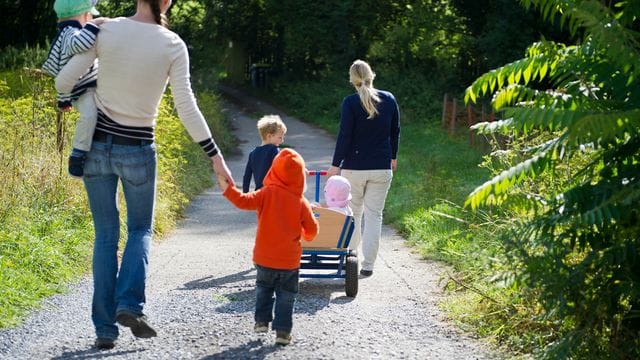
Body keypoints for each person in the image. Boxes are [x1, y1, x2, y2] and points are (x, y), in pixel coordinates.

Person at [55, 0, 234, 350]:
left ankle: (105, 329)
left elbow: (64, 78)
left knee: (106, 235)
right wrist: (215, 155)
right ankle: (130, 305)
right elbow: (186, 105)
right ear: (167, 2)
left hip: (96, 149)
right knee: (140, 229)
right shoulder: (172, 44)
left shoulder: (106, 28)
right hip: (137, 150)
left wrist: (72, 100)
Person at [217, 148, 319, 346]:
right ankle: (282, 332)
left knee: (264, 289)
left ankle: (262, 321)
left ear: (273, 170)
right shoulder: (301, 202)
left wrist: (227, 188)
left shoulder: (266, 193)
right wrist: (306, 235)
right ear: (300, 176)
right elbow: (312, 229)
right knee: (286, 296)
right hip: (289, 261)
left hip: (264, 258)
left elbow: (242, 201)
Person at [326, 59, 400, 277]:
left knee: (354, 214)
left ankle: (351, 259)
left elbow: (345, 135)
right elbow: (395, 131)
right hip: (381, 167)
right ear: (371, 75)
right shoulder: (389, 99)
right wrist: (393, 157)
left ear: (352, 79)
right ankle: (368, 266)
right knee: (374, 216)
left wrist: (334, 164)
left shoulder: (350, 102)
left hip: (354, 168)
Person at [42, 0, 103, 178]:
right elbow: (80, 44)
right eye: (90, 16)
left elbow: (62, 68)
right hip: (83, 90)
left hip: (83, 87)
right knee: (89, 115)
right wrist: (94, 26)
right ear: (85, 16)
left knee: (93, 116)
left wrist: (63, 99)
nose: (91, 19)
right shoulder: (71, 33)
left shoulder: (66, 32)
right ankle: (78, 153)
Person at [242, 114, 286, 192]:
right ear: (269, 136)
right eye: (280, 137)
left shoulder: (253, 153)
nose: (282, 141)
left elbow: (246, 177)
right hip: (272, 193)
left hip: (259, 194)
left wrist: (245, 194)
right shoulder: (274, 150)